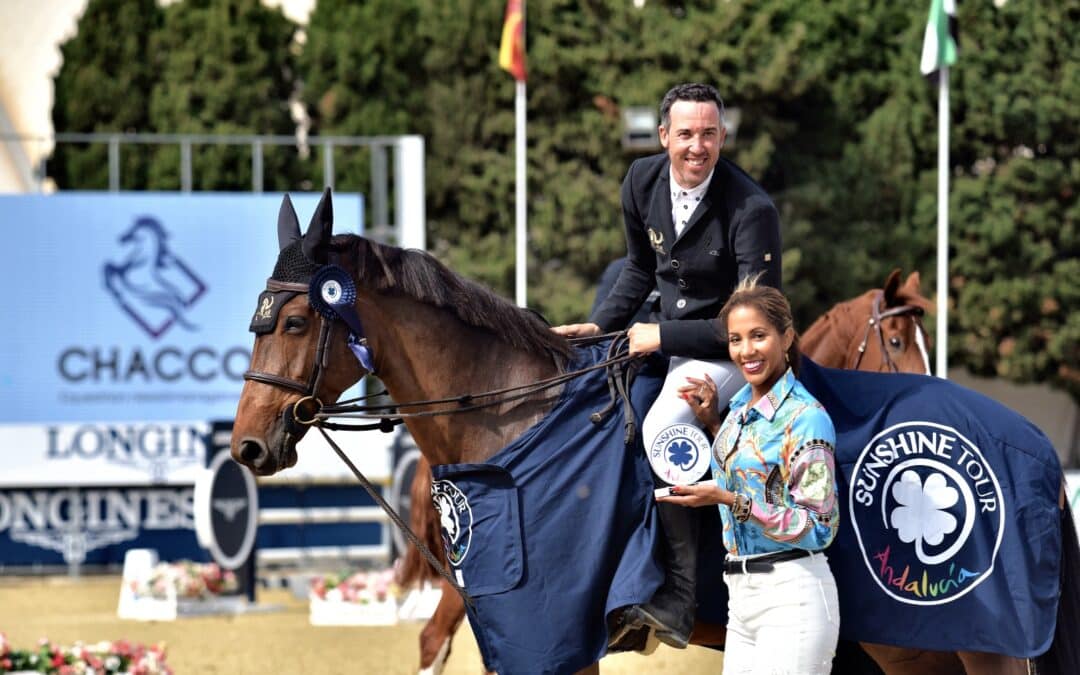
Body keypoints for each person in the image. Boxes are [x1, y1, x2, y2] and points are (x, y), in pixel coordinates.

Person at [554, 82, 782, 648]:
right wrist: (601, 326)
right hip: (662, 337)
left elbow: (754, 323)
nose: (697, 146)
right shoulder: (640, 179)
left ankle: (679, 597)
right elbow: (637, 267)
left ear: (723, 136)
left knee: (663, 426)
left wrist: (660, 335)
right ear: (664, 137)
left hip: (731, 353)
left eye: (709, 133)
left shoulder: (752, 209)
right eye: (685, 134)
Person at [659, 278, 840, 674]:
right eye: (735, 339)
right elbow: (753, 467)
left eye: (758, 336)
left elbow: (819, 526)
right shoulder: (738, 408)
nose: (746, 351)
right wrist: (713, 424)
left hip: (792, 597)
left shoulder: (806, 418)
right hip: (740, 600)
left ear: (787, 337)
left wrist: (729, 501)